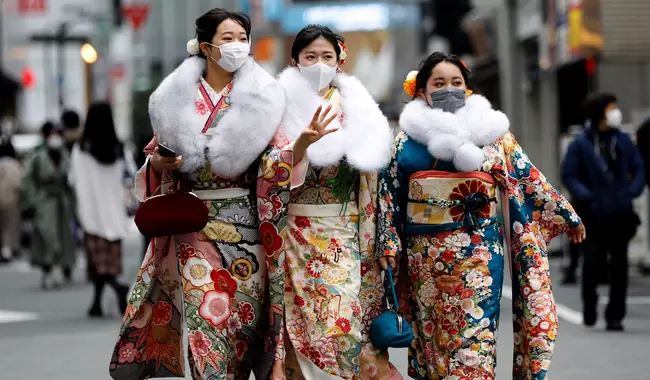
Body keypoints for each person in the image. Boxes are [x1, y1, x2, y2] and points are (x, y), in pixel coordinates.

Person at [109, 8, 309, 380]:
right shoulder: (175, 99)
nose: (237, 46)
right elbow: (154, 159)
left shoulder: (264, 98)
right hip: (195, 227)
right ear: (206, 46)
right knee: (207, 323)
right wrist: (160, 166)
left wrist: (299, 148)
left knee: (245, 326)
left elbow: (275, 162)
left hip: (248, 229)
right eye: (227, 38)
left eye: (242, 38)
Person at [376, 52, 585, 379]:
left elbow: (525, 178)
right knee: (433, 339)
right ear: (422, 90)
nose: (449, 89)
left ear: (468, 87)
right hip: (425, 257)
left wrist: (564, 214)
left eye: (456, 82)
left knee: (477, 341)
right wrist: (388, 242)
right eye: (439, 83)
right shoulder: (405, 142)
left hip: (479, 253)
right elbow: (388, 194)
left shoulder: (493, 135)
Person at [271, 24, 399, 379]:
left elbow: (376, 180)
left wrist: (383, 236)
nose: (319, 64)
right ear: (294, 60)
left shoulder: (357, 107)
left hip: (343, 231)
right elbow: (264, 171)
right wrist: (300, 146)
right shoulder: (275, 105)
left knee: (341, 322)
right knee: (297, 323)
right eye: (310, 56)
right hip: (292, 233)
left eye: (327, 56)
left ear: (340, 59)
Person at [562, 92, 645, 331]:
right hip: (591, 214)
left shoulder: (623, 140)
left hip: (621, 213)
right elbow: (569, 174)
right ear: (600, 113)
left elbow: (638, 168)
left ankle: (615, 315)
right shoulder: (581, 143)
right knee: (592, 262)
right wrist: (586, 196)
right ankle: (590, 306)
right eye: (611, 108)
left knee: (620, 265)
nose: (615, 112)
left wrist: (632, 191)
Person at [69, 102, 135, 318]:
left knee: (97, 263)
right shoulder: (119, 148)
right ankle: (97, 303)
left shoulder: (81, 149)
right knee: (110, 262)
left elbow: (73, 179)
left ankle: (116, 289)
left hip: (92, 213)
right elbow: (131, 174)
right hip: (113, 213)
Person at [20, 121, 76, 289]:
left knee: (66, 236)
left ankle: (65, 267)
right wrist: (32, 200)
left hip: (63, 201)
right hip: (45, 201)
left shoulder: (65, 154)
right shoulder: (37, 155)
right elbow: (27, 180)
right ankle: (47, 268)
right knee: (47, 235)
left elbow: (72, 180)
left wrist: (73, 202)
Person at [0, 137, 22, 263]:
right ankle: (7, 250)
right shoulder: (14, 165)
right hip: (10, 200)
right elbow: (18, 184)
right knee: (9, 227)